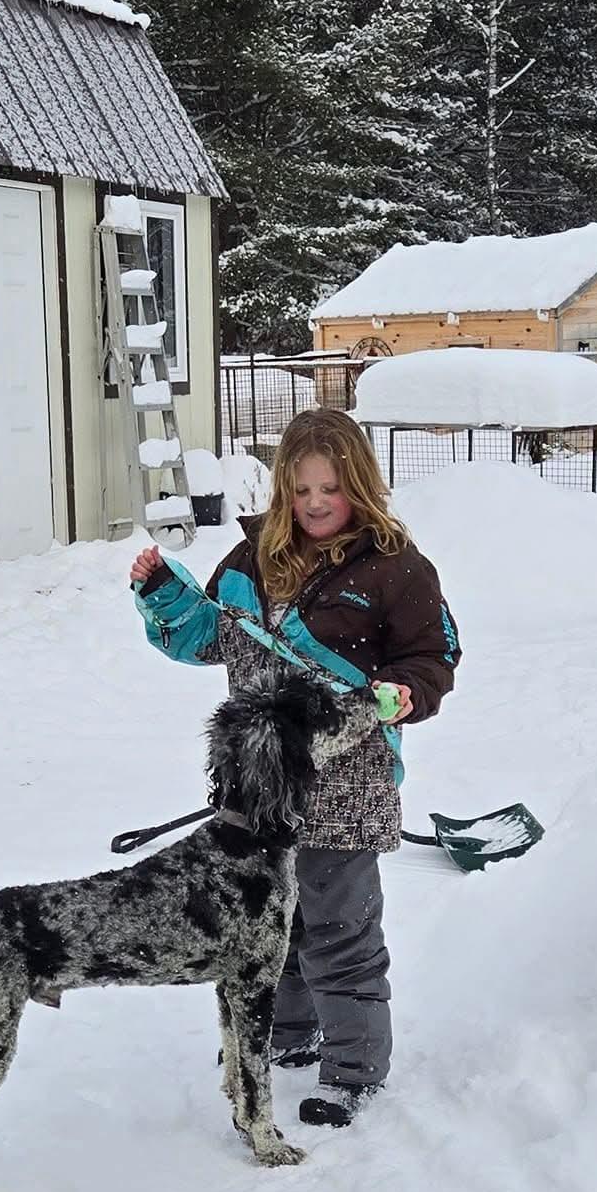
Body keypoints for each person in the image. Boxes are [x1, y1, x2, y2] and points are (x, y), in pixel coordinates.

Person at [130, 407, 460, 1128]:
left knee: (339, 926)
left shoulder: (395, 569)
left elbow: (434, 655)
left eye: (331, 489)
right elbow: (203, 640)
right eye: (302, 489)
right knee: (270, 920)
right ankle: (286, 1033)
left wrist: (407, 691)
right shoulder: (251, 562)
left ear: (361, 488)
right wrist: (162, 593)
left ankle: (352, 1067)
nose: (315, 504)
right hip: (259, 787)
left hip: (348, 778)